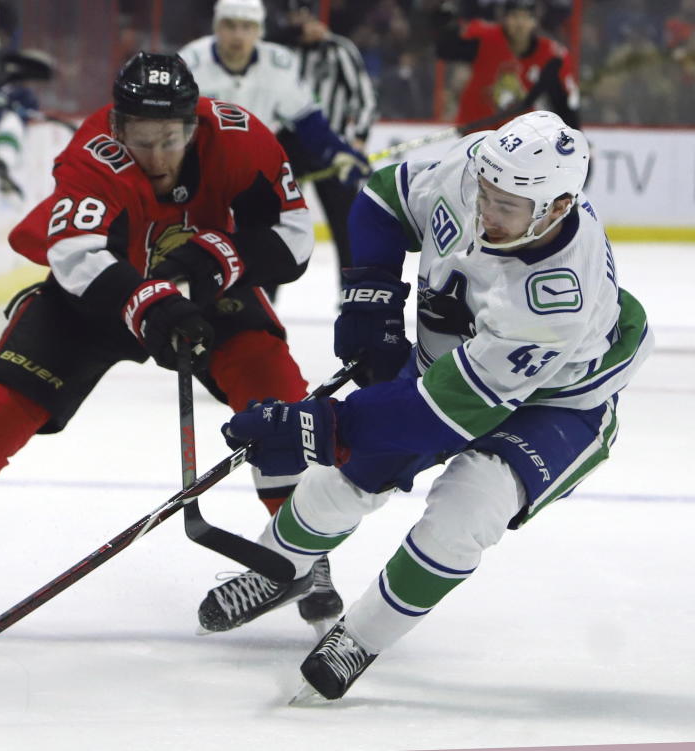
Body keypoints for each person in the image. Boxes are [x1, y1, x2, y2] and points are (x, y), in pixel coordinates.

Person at [0, 51, 342, 631]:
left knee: (279, 403)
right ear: (118, 127)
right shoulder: (93, 149)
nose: (155, 158)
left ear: (193, 128)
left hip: (201, 288)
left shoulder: (240, 136)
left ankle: (306, 558)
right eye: (140, 140)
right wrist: (153, 305)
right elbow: (77, 255)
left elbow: (294, 237)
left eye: (169, 140)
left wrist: (222, 257)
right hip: (102, 293)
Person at [196, 111, 652, 702]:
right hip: (458, 361)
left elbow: (448, 412)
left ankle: (360, 637)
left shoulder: (556, 298)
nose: (486, 210)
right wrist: (371, 302)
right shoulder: (480, 168)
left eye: (507, 206)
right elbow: (382, 201)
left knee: (467, 508)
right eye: (486, 193)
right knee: (346, 476)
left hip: (558, 401)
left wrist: (320, 424)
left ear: (557, 208)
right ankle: (277, 568)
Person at [178, 0, 371, 297]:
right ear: (217, 27)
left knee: (264, 243)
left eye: (247, 26)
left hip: (251, 172)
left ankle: (259, 302)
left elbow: (307, 119)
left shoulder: (279, 64)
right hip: (199, 169)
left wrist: (337, 153)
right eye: (230, 25)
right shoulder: (191, 62)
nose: (238, 35)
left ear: (259, 30)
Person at [267, 0, 377, 291]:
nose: (298, 21)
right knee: (274, 221)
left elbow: (365, 98)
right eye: (292, 16)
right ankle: (266, 290)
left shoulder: (339, 49)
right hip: (288, 146)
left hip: (333, 146)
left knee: (346, 226)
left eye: (302, 14)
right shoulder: (281, 53)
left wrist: (359, 138)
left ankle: (352, 291)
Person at [434, 0, 581, 130]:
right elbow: (446, 51)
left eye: (526, 17)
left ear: (535, 21)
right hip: (475, 133)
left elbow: (564, 105)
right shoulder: (486, 39)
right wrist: (446, 21)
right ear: (504, 18)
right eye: (514, 16)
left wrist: (574, 138)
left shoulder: (551, 56)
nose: (520, 23)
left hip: (519, 142)